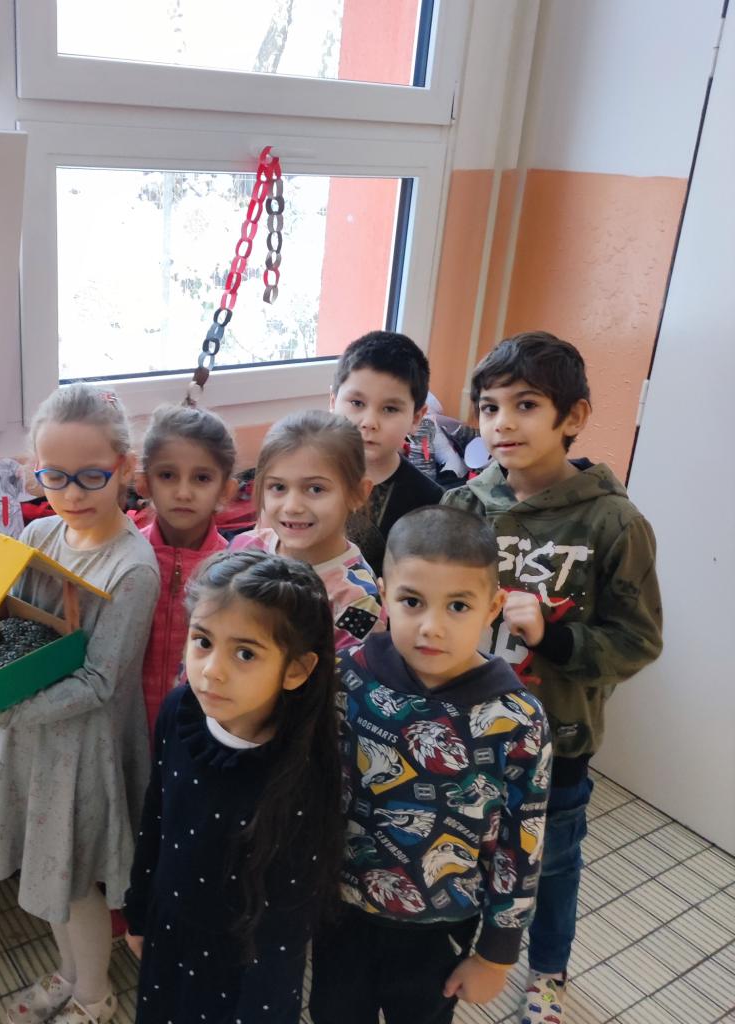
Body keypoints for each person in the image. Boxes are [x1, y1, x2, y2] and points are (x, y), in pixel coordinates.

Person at [0, 383, 160, 1024]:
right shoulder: (41, 533)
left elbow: (99, 684)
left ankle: (94, 997)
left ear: (125, 467)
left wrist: (0, 712)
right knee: (47, 872)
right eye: (54, 476)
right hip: (31, 737)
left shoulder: (133, 569)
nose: (72, 493)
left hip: (83, 748)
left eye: (92, 475)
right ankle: (69, 974)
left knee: (74, 883)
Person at [441, 332, 663, 1024]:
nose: (502, 423)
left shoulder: (613, 522)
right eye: (489, 407)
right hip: (467, 733)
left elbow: (638, 641)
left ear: (574, 416)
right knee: (467, 849)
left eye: (526, 405)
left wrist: (553, 636)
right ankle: (466, 950)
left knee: (551, 864)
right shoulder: (465, 508)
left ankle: (547, 970)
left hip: (557, 739)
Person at [310, 505, 552, 1024]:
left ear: (493, 607)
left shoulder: (517, 718)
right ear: (384, 595)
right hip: (339, 912)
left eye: (458, 606)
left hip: (442, 925)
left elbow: (522, 843)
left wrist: (496, 953)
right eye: (412, 601)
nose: (431, 627)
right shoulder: (345, 677)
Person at [123, 549, 344, 1024]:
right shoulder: (179, 711)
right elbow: (155, 817)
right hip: (169, 931)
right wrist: (137, 913)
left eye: (245, 653)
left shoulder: (300, 771)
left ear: (296, 669)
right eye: (202, 641)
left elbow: (286, 926)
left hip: (244, 972)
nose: (211, 670)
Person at [230, 409, 386, 651]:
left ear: (357, 494)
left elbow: (343, 675)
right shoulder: (244, 548)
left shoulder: (357, 601)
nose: (292, 507)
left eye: (315, 489)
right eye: (278, 487)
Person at [135, 404, 238, 743]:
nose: (183, 492)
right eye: (167, 475)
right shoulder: (125, 557)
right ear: (144, 483)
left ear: (225, 490)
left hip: (197, 738)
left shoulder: (233, 570)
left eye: (201, 478)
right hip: (126, 734)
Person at [330, 330, 444, 575]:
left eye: (390, 409)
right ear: (333, 402)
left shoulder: (430, 503)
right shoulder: (303, 472)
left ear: (416, 418)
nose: (369, 422)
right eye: (357, 403)